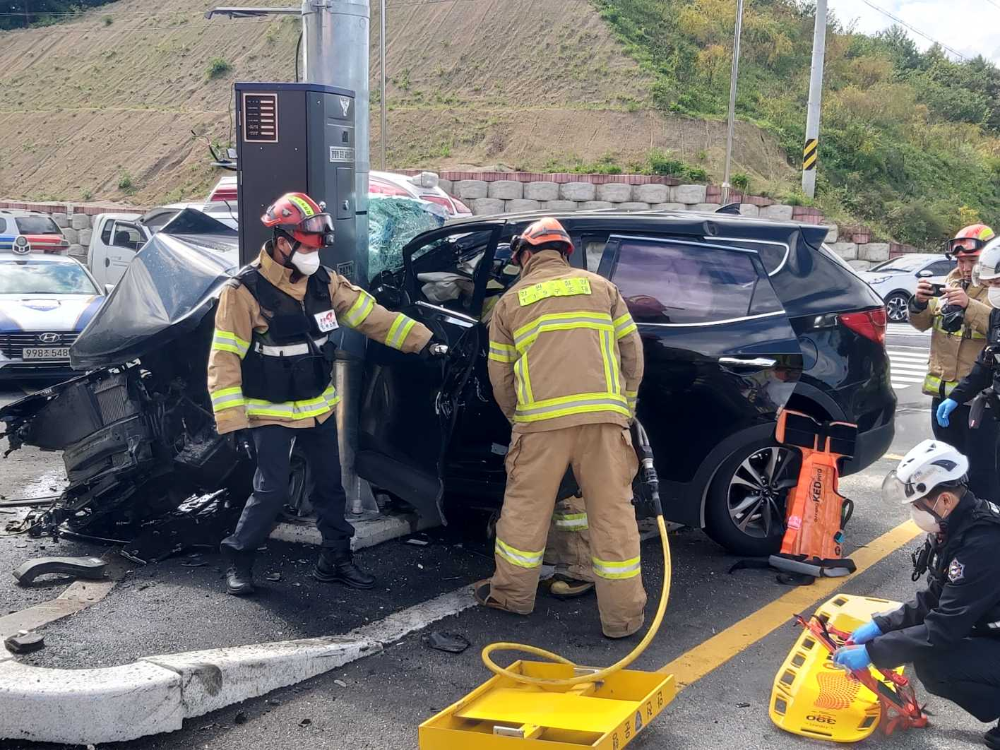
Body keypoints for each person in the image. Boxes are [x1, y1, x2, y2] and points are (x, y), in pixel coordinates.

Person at [208, 192, 438, 596]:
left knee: (330, 487)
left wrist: (424, 340)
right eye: (307, 246)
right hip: (268, 410)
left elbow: (371, 316)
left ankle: (335, 559)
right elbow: (224, 357)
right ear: (282, 242)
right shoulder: (243, 291)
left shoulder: (325, 283)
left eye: (317, 247)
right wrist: (231, 422)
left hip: (318, 407)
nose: (313, 255)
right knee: (271, 490)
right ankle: (238, 557)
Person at [474, 217, 645, 638]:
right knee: (614, 519)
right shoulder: (602, 288)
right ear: (564, 252)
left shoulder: (510, 302)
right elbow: (632, 353)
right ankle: (622, 619)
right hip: (604, 423)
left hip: (541, 425)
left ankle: (512, 597)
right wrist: (624, 408)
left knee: (524, 514)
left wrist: (519, 419)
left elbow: (500, 376)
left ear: (524, 255)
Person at [832, 440, 1000, 748]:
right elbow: (937, 597)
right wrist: (881, 625)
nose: (913, 512)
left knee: (936, 665)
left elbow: (943, 629)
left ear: (945, 500)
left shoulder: (983, 545)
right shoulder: (959, 526)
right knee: (930, 651)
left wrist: (873, 652)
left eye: (917, 505)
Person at [909, 224, 996, 500]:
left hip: (979, 399)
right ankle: (954, 519)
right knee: (948, 471)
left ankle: (985, 520)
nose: (965, 267)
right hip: (945, 395)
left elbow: (995, 327)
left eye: (972, 260)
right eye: (960, 261)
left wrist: (969, 305)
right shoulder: (952, 281)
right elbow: (923, 323)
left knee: (981, 472)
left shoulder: (993, 287)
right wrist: (918, 303)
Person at [936, 237, 1000, 493]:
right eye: (990, 284)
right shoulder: (997, 314)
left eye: (997, 283)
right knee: (985, 476)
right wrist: (957, 396)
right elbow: (988, 361)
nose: (993, 290)